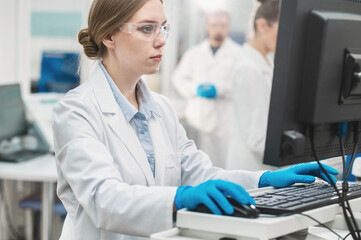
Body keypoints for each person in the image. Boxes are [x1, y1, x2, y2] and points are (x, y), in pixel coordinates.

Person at [53, 0, 338, 239]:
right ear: (109, 37)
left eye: (163, 27)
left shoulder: (161, 108)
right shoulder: (77, 111)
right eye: (146, 29)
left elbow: (200, 173)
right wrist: (178, 198)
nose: (161, 39)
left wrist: (265, 179)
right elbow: (104, 200)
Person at [172, 10, 242, 168]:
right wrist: (194, 89)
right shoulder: (194, 53)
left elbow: (243, 86)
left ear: (228, 26)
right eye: (214, 25)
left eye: (222, 25)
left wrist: (220, 90)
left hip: (224, 124)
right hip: (197, 120)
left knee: (221, 167)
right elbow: (178, 78)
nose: (218, 29)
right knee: (193, 166)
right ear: (207, 26)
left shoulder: (238, 54)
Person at [227, 0, 280, 171]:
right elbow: (257, 138)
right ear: (263, 25)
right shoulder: (249, 69)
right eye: (282, 30)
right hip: (252, 170)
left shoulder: (266, 63)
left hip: (262, 167)